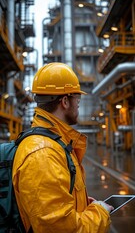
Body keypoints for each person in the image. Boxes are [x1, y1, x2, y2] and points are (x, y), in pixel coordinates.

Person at [12, 62, 113, 233]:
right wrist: (100, 212)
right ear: (65, 101)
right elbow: (61, 229)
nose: (78, 104)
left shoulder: (55, 143)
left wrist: (78, 201)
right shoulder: (43, 154)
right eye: (77, 99)